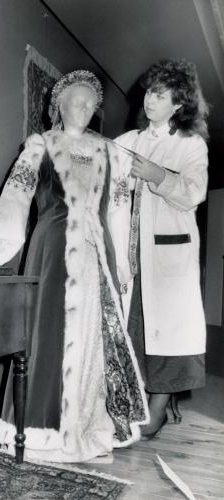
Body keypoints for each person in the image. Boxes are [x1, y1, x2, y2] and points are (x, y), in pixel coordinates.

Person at [0, 70, 149, 463]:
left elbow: (119, 209)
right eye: (77, 100)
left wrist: (122, 260)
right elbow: (17, 195)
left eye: (92, 103)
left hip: (98, 255)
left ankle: (87, 429)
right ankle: (43, 434)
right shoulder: (40, 146)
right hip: (53, 250)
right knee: (47, 336)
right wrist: (0, 248)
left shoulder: (111, 153)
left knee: (95, 337)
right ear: (59, 104)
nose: (85, 107)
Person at [115, 59, 209, 439]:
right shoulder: (126, 142)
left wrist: (157, 176)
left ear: (178, 104)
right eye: (149, 91)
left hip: (169, 256)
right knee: (134, 330)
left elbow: (193, 194)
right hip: (130, 254)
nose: (150, 98)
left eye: (160, 93)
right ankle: (133, 405)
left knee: (169, 336)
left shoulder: (190, 145)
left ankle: (157, 410)